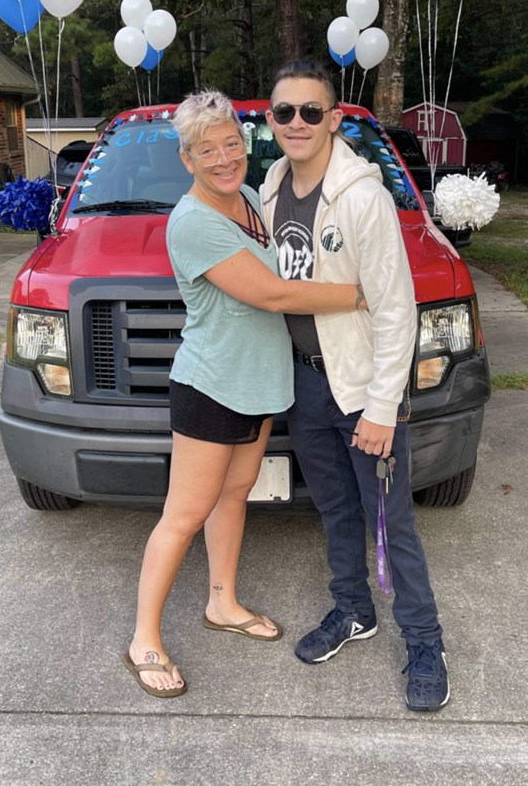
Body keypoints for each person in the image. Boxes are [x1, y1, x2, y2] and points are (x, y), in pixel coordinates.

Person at [124, 89, 367, 698]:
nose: (224, 157)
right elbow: (274, 295)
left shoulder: (252, 200)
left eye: (232, 143)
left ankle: (223, 603)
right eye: (207, 150)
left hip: (259, 384)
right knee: (183, 515)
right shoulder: (195, 222)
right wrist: (361, 295)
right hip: (212, 387)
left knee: (235, 496)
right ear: (188, 159)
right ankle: (144, 638)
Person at [260, 61, 449, 712]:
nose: (297, 124)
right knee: (335, 509)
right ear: (271, 121)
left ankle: (425, 642)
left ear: (333, 120)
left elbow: (397, 310)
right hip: (307, 388)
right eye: (285, 112)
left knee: (390, 524)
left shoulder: (363, 196)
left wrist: (381, 408)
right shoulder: (272, 185)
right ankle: (353, 610)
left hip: (365, 393)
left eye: (311, 112)